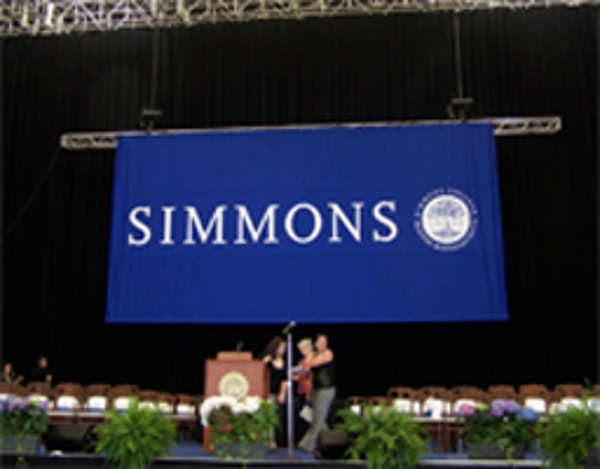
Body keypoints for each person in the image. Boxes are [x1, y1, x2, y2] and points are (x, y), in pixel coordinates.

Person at [298, 333, 336, 453]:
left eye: (325, 342)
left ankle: (306, 444)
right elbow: (307, 369)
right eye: (320, 342)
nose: (323, 344)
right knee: (319, 418)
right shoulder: (314, 355)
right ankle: (331, 441)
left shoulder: (328, 353)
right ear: (315, 344)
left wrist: (309, 361)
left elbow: (312, 364)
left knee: (319, 418)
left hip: (326, 388)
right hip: (316, 389)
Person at [262, 336, 288, 447]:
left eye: (284, 348)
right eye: (281, 347)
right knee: (268, 417)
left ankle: (275, 440)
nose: (283, 350)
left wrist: (282, 393)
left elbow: (285, 379)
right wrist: (264, 362)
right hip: (267, 393)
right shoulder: (267, 359)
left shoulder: (284, 362)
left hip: (277, 393)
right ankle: (269, 441)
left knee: (276, 418)